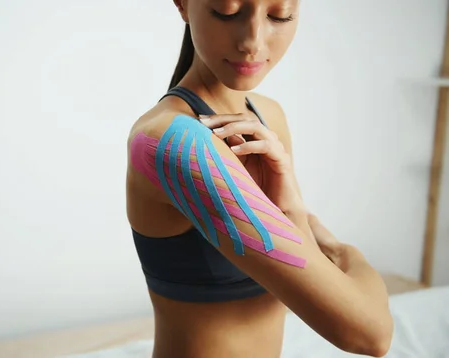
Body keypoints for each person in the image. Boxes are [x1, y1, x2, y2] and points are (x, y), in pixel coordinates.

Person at [125, 0, 394, 357]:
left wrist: (293, 210)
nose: (253, 40)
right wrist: (347, 253)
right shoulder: (174, 144)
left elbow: (300, 241)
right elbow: (370, 334)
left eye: (279, 15)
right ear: (184, 5)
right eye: (226, 10)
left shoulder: (268, 115)